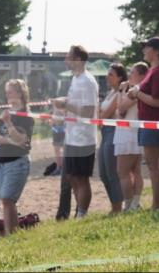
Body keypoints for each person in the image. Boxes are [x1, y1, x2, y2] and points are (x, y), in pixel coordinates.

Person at [51, 45, 99, 218]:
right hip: (72, 136)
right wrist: (65, 101)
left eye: (68, 57)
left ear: (78, 59)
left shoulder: (87, 80)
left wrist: (65, 104)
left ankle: (82, 214)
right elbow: (76, 104)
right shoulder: (76, 79)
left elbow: (88, 111)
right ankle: (79, 212)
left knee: (81, 177)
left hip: (84, 138)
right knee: (71, 176)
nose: (65, 60)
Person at [126, 38, 159, 210]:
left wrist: (137, 93)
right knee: (158, 163)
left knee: (154, 165)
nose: (144, 50)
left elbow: (158, 101)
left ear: (157, 51)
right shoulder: (156, 71)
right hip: (152, 121)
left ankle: (157, 205)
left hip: (154, 121)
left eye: (147, 47)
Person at [0, 79, 36, 233]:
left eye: (10, 92)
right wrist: (10, 139)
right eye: (6, 92)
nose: (7, 95)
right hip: (3, 161)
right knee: (5, 200)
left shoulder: (25, 116)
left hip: (17, 161)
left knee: (8, 199)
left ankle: (12, 233)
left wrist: (9, 125)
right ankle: (11, 233)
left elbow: (21, 140)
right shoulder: (6, 113)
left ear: (20, 93)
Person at [115, 62, 146, 210]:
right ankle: (135, 202)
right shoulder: (140, 90)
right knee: (135, 171)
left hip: (127, 133)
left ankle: (129, 204)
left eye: (132, 72)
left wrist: (121, 91)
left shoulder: (136, 90)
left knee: (123, 172)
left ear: (140, 75)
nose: (130, 75)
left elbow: (121, 108)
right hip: (134, 132)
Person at [97, 65, 125, 214]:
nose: (108, 77)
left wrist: (98, 116)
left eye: (111, 74)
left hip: (113, 131)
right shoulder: (110, 93)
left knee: (111, 171)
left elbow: (105, 114)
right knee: (103, 172)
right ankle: (115, 204)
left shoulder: (118, 93)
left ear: (120, 77)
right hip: (105, 132)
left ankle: (117, 207)